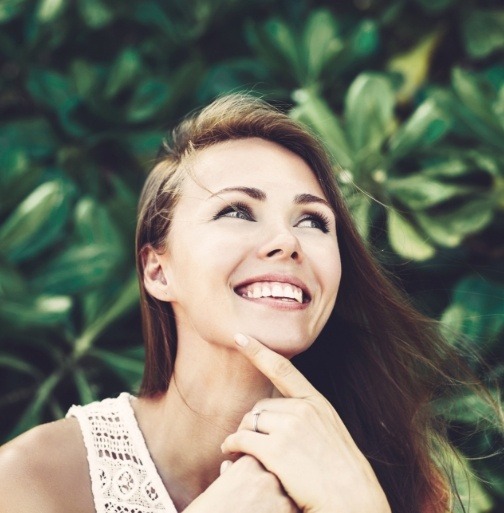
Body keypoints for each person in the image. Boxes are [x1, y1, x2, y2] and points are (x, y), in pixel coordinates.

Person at [0, 94, 489, 512]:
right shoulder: (33, 478)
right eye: (236, 210)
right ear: (157, 270)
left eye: (313, 221)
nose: (287, 241)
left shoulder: (391, 477)